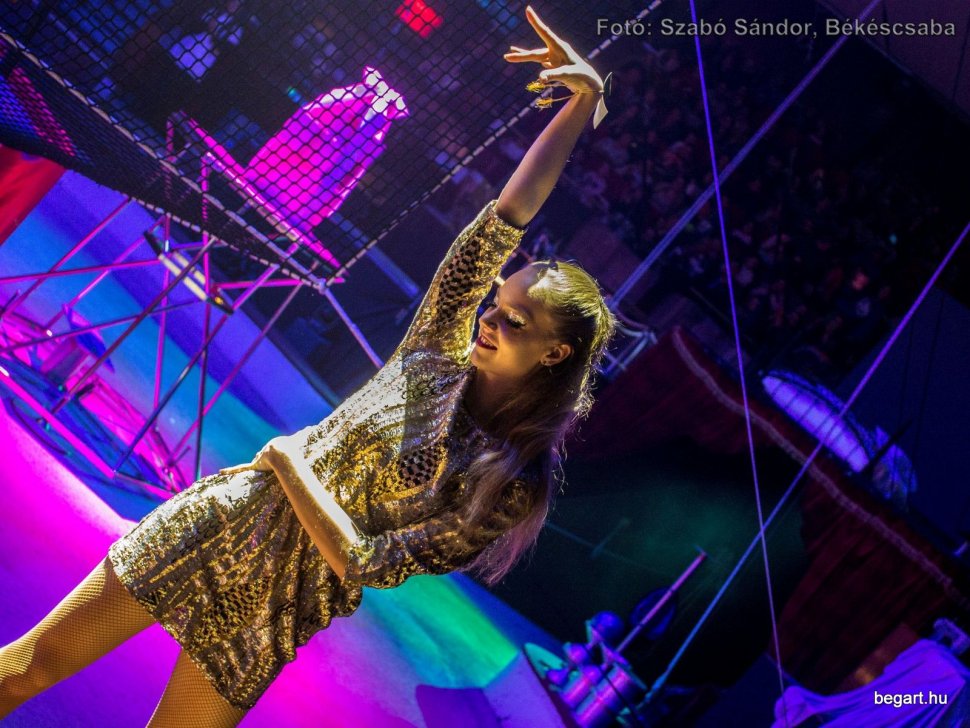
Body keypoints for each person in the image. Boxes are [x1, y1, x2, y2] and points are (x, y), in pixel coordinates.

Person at [0, 7, 616, 726]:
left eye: (516, 321)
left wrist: (290, 462)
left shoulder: (509, 483)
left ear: (556, 353)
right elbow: (507, 216)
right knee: (27, 667)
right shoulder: (435, 350)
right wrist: (584, 102)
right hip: (220, 522)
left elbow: (365, 562)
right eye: (496, 303)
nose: (489, 318)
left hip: (272, 615)